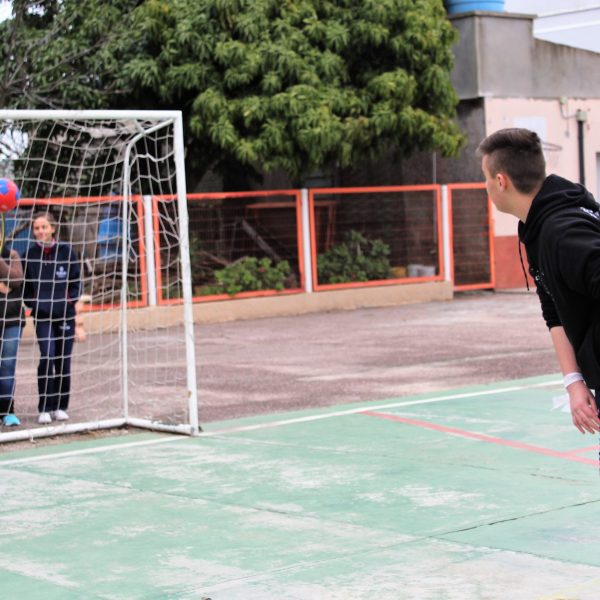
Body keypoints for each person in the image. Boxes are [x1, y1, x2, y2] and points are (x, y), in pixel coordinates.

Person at [477, 127, 600, 435]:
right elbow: (553, 309)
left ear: (500, 181)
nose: (485, 186)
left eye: (485, 178)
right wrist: (574, 381)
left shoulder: (563, 233)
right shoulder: (538, 228)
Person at [24, 212, 81, 424]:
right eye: (37, 228)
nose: (40, 231)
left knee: (63, 361)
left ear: (53, 228)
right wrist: (35, 303)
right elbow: (26, 288)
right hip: (42, 317)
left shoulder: (66, 251)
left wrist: (68, 302)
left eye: (44, 227)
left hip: (65, 315)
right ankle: (45, 408)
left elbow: (76, 282)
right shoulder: (29, 255)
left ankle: (60, 406)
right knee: (47, 356)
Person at [0, 242, 24, 426]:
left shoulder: (12, 254)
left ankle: (8, 410)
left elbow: (16, 280)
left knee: (7, 366)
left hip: (12, 320)